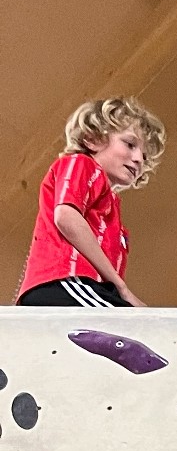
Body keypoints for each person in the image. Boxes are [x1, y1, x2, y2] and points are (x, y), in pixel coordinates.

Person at [15, 97, 165, 309]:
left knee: (133, 321)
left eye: (145, 156)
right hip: (66, 282)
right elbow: (66, 216)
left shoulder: (111, 209)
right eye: (130, 145)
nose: (139, 159)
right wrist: (121, 288)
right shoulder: (82, 164)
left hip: (80, 288)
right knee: (136, 322)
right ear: (92, 139)